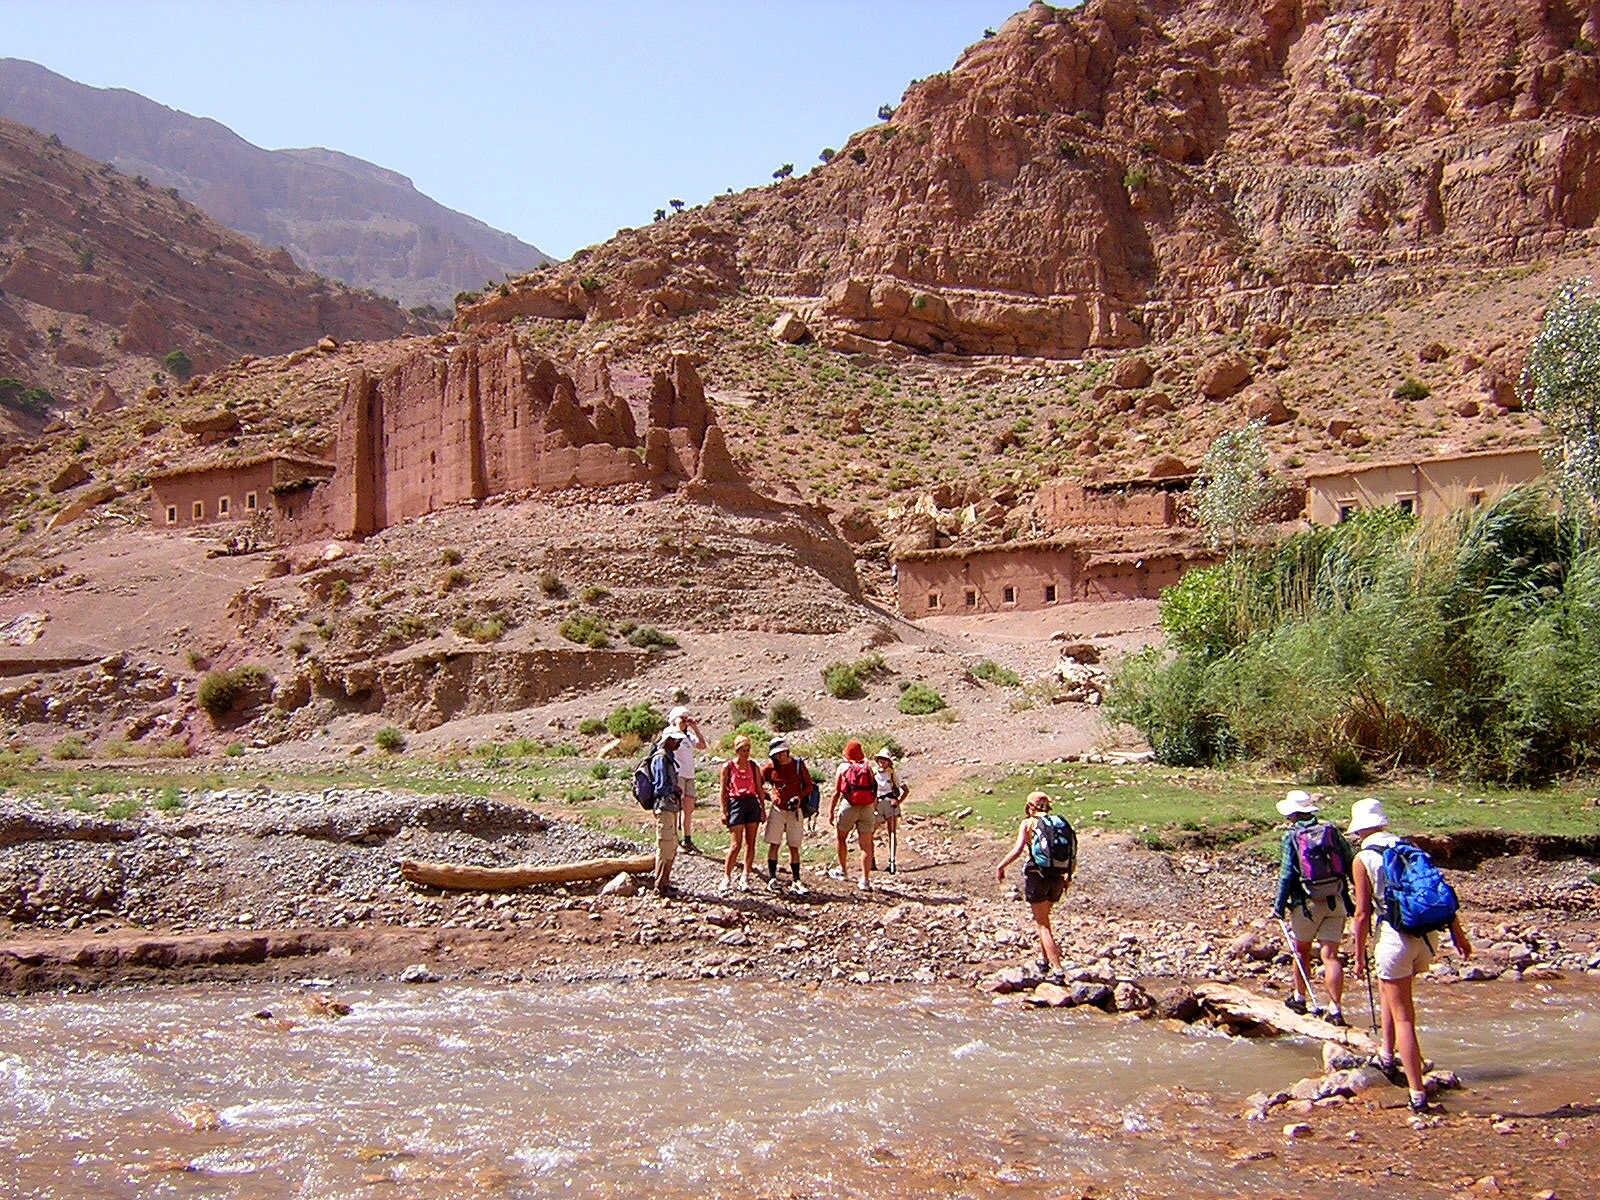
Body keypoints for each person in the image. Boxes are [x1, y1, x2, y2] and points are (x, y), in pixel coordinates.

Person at [1349, 797, 1473, 1114]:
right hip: (1426, 936)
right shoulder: (1408, 848)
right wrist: (1458, 933)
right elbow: (1435, 888)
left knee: (1404, 1015)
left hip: (1393, 938)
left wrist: (1358, 953)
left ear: (1358, 829)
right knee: (1392, 995)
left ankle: (1416, 1093)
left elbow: (1362, 914)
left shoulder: (1363, 858)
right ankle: (1387, 1055)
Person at [1272, 789, 1354, 1024]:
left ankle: (1300, 998)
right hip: (1334, 900)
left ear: (1292, 814)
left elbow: (1287, 875)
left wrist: (1278, 905)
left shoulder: (1291, 836)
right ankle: (1336, 1010)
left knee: (1302, 952)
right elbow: (1348, 863)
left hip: (1306, 904)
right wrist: (1350, 901)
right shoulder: (1330, 831)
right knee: (1330, 956)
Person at [995, 791, 1072, 985]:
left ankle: (1057, 969)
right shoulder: (1059, 823)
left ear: (1030, 806)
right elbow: (1072, 853)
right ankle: (1044, 960)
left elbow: (1018, 849)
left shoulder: (1028, 823)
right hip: (1058, 877)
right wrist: (1067, 878)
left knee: (1043, 925)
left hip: (1037, 875)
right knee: (1044, 919)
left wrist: (1001, 866)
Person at [761, 737, 812, 893]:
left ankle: (796, 879)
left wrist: (799, 797)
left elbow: (809, 786)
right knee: (774, 843)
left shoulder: (798, 765)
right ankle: (772, 878)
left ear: (787, 750)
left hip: (795, 811)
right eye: (777, 754)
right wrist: (770, 796)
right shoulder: (770, 768)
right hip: (777, 810)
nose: (780, 756)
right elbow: (758, 784)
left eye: (782, 752)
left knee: (794, 846)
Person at [828, 739, 879, 892]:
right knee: (866, 845)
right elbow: (874, 790)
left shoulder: (843, 768)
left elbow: (837, 792)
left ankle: (843, 871)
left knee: (841, 838)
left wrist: (831, 811)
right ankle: (865, 879)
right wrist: (873, 808)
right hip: (867, 808)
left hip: (849, 806)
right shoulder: (868, 768)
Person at [719, 734, 766, 892]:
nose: (745, 753)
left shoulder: (753, 766)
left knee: (750, 843)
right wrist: (723, 811)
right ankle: (727, 876)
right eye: (742, 750)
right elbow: (723, 791)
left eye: (747, 749)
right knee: (735, 844)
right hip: (736, 803)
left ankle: (745, 875)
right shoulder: (728, 767)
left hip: (751, 803)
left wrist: (763, 809)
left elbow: (759, 788)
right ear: (736, 750)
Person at [666, 705, 708, 853]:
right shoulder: (670, 733)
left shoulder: (688, 736)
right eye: (682, 718)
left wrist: (695, 728)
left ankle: (687, 839)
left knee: (688, 808)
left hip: (689, 775)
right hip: (677, 774)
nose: (685, 721)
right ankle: (675, 840)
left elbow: (703, 745)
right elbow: (666, 746)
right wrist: (678, 725)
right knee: (676, 808)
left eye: (686, 718)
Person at [648, 729, 685, 897]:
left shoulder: (667, 757)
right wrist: (675, 789)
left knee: (670, 846)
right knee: (665, 846)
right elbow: (660, 787)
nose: (678, 744)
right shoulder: (661, 758)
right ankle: (660, 886)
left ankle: (665, 883)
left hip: (670, 807)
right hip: (664, 806)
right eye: (676, 741)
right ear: (668, 740)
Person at [871, 748, 907, 875]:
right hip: (877, 805)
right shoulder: (873, 773)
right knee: (870, 832)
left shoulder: (892, 774)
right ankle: (871, 861)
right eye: (881, 760)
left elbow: (905, 789)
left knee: (891, 833)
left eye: (885, 760)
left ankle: (892, 862)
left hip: (890, 804)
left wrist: (898, 801)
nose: (882, 762)